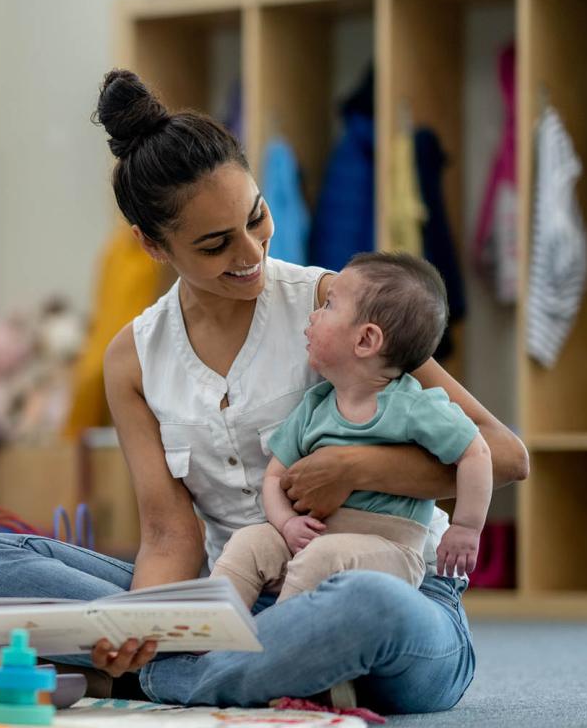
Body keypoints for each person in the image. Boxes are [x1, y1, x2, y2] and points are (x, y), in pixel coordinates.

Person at [0, 70, 529, 713]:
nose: (250, 251)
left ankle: (167, 682)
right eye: (215, 244)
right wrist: (143, 624)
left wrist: (360, 467)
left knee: (367, 607)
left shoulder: (331, 304)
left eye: (256, 218)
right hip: (233, 593)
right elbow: (170, 536)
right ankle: (237, 664)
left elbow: (504, 453)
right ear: (152, 246)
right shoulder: (132, 358)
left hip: (391, 591)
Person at [210, 252, 491, 638]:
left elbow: (476, 451)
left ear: (366, 339)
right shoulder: (315, 406)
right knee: (249, 541)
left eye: (328, 306)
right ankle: (208, 641)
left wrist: (466, 527)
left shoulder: (415, 405)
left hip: (390, 548)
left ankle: (276, 651)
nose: (313, 314)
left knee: (323, 558)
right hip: (315, 538)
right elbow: (275, 476)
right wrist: (286, 523)